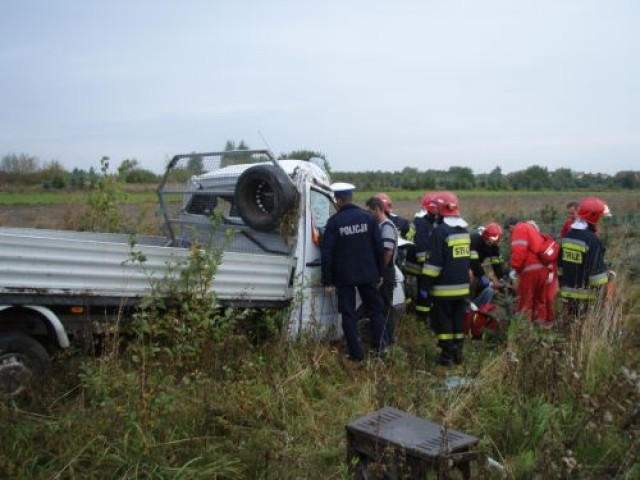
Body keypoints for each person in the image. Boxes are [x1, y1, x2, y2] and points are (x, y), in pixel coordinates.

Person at [321, 182, 387, 361]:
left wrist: (327, 281)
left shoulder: (334, 223)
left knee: (348, 314)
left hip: (344, 276)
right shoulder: (369, 219)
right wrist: (380, 273)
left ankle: (356, 355)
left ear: (337, 200)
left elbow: (326, 254)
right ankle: (380, 348)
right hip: (368, 273)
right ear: (350, 198)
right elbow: (379, 249)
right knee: (375, 310)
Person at [421, 191, 471, 366]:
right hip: (463, 288)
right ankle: (458, 354)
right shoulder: (464, 231)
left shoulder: (440, 232)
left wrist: (425, 286)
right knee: (458, 321)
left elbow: (433, 265)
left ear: (440, 210)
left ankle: (446, 356)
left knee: (444, 323)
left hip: (443, 289)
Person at [559, 197, 611, 318]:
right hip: (587, 294)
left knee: (572, 322)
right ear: (594, 217)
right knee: (583, 324)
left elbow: (561, 265)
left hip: (569, 291)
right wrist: (602, 292)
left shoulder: (568, 235)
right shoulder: (591, 239)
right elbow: (597, 273)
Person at [366, 196, 399, 343]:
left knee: (385, 307)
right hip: (382, 271)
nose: (368, 214)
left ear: (378, 209)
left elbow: (387, 252)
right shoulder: (379, 226)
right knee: (380, 306)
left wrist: (380, 272)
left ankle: (388, 340)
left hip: (385, 272)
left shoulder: (386, 226)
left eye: (370, 211)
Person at [504, 217, 549, 323]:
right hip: (542, 268)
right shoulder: (530, 228)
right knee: (540, 301)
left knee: (525, 301)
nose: (510, 233)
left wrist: (515, 268)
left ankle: (525, 332)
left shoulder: (519, 229)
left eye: (509, 230)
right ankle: (541, 329)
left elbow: (519, 251)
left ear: (511, 226)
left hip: (530, 271)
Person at [406, 192, 439, 320]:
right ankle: (421, 319)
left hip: (417, 263)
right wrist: (428, 264)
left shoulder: (424, 220)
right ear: (431, 207)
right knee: (423, 292)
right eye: (436, 207)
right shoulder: (422, 222)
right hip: (418, 265)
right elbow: (421, 248)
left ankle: (421, 316)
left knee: (421, 292)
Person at [469, 222, 505, 307]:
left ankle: (475, 302)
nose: (493, 244)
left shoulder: (493, 246)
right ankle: (468, 303)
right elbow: (473, 262)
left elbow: (496, 263)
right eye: (491, 242)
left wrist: (501, 277)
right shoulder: (475, 240)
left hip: (476, 266)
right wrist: (482, 276)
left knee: (477, 279)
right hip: (465, 264)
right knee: (471, 276)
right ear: (485, 237)